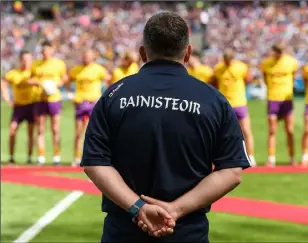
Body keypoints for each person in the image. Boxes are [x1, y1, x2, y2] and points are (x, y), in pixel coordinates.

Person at [81, 12, 252, 242]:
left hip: (123, 232)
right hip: (187, 232)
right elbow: (231, 172)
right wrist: (175, 210)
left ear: (142, 53)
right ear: (188, 52)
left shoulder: (113, 95)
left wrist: (139, 207)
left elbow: (95, 162)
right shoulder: (214, 101)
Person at [211, 48, 256, 166]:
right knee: (220, 133)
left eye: (229, 60)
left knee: (246, 130)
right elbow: (214, 82)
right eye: (225, 60)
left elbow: (248, 79)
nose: (227, 63)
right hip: (224, 105)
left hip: (239, 103)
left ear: (233, 59)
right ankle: (220, 158)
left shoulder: (241, 67)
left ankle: (250, 156)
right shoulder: (218, 68)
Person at [67, 50, 110, 166]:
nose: (86, 58)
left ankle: (94, 157)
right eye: (84, 56)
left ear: (93, 57)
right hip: (80, 102)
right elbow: (67, 80)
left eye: (88, 56)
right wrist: (70, 94)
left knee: (94, 132)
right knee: (78, 132)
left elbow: (109, 80)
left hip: (93, 103)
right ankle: (76, 157)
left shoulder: (98, 69)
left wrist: (103, 95)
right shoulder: (76, 69)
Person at [261, 45, 299, 167]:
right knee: (272, 130)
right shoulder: (266, 63)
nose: (280, 54)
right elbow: (265, 79)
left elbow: (294, 77)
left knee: (289, 130)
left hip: (287, 100)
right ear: (274, 52)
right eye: (278, 52)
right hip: (273, 99)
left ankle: (292, 158)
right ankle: (271, 159)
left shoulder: (291, 62)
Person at [31, 41, 68, 165]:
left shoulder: (59, 64)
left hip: (54, 99)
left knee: (55, 129)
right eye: (43, 51)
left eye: (47, 50)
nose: (45, 53)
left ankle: (56, 156)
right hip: (39, 99)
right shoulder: (35, 64)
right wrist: (39, 83)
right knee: (40, 129)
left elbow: (64, 78)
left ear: (52, 50)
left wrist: (54, 85)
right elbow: (30, 78)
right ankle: (41, 156)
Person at [1, 51, 36, 164]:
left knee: (31, 133)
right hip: (18, 107)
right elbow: (4, 83)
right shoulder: (14, 73)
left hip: (32, 105)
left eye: (29, 60)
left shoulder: (34, 72)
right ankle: (11, 157)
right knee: (12, 130)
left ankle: (29, 158)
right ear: (20, 60)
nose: (26, 62)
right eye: (24, 59)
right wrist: (7, 99)